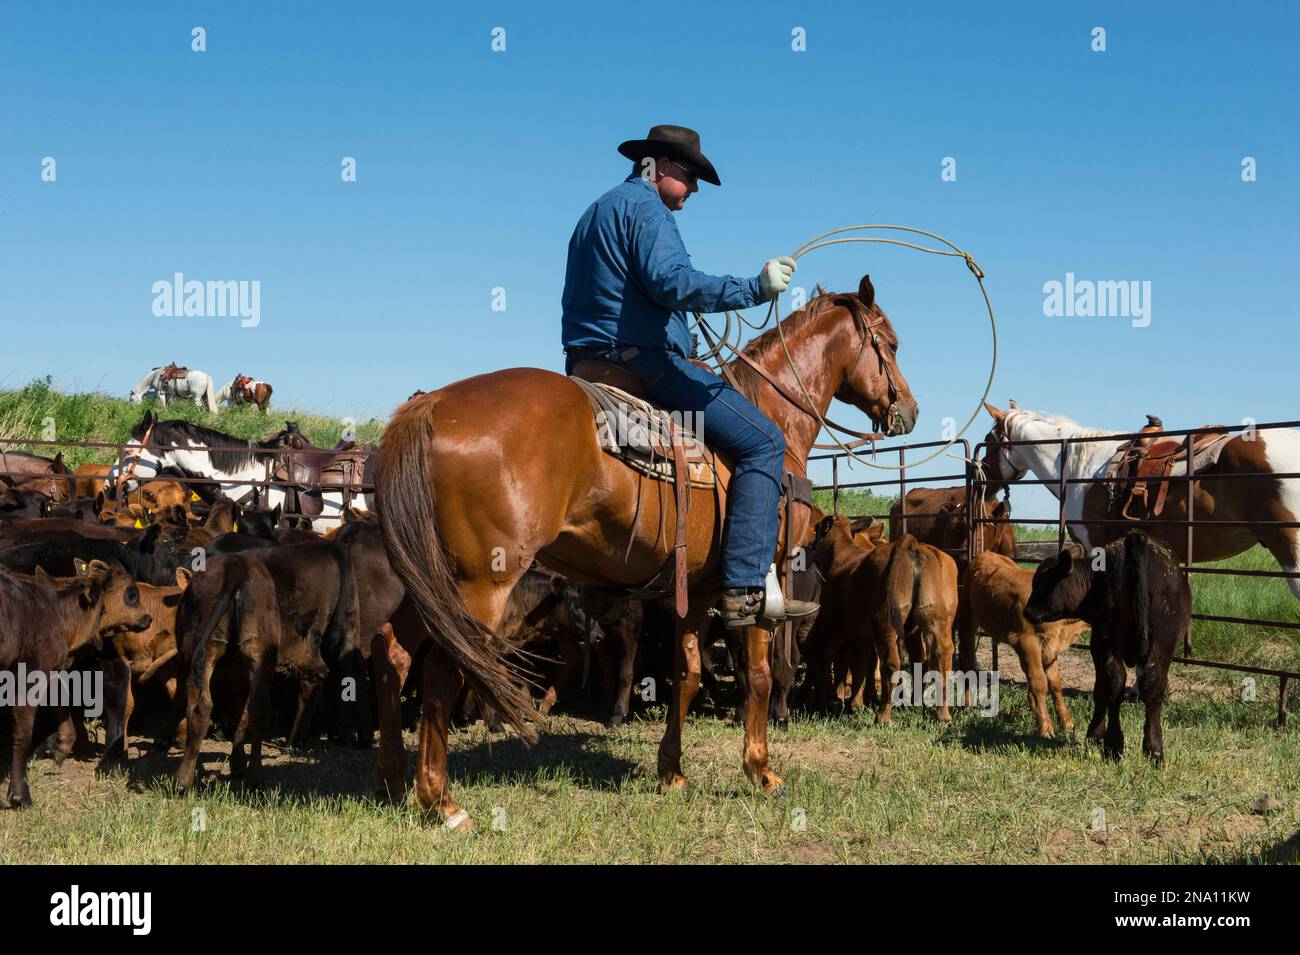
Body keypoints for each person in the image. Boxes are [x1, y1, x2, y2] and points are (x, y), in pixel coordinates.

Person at [561, 124, 818, 628]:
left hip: (585, 364)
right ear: (657, 167)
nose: (695, 188)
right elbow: (671, 281)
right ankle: (744, 586)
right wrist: (753, 288)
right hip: (642, 363)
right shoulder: (648, 210)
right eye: (690, 175)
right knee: (764, 441)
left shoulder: (594, 213)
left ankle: (605, 582)